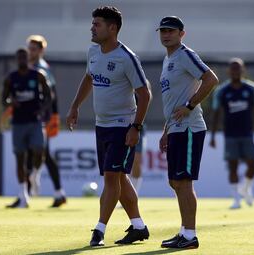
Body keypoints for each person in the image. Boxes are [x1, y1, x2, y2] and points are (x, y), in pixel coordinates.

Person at [66, 6, 151, 247]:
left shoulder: (126, 57)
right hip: (101, 125)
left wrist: (136, 127)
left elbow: (145, 95)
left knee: (112, 177)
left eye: (97, 24)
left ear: (112, 28)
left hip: (123, 126)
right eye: (93, 24)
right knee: (120, 179)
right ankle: (139, 226)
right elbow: (90, 77)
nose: (92, 28)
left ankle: (99, 230)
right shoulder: (93, 51)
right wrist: (75, 106)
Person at [157, 16, 219, 249]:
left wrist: (191, 105)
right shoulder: (168, 59)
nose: (166, 34)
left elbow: (211, 79)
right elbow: (173, 101)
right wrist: (166, 131)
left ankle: (190, 235)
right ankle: (184, 232)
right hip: (176, 128)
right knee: (175, 181)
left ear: (182, 33)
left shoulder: (185, 54)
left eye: (171, 30)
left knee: (183, 181)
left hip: (190, 127)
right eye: (163, 30)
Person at [210, 58, 254, 209]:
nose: (235, 71)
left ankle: (245, 188)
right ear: (229, 71)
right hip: (230, 134)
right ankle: (236, 199)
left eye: (238, 68)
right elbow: (216, 113)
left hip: (248, 133)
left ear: (243, 70)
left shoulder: (252, 89)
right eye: (233, 69)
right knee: (232, 166)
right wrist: (213, 136)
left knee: (252, 164)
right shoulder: (222, 91)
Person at [2, 48, 51, 208]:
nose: (22, 59)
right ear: (17, 60)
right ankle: (23, 195)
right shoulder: (11, 78)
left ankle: (35, 174)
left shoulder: (38, 75)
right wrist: (11, 103)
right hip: (18, 123)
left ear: (28, 59)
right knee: (20, 158)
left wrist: (42, 109)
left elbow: (49, 96)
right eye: (20, 57)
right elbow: (4, 99)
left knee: (39, 149)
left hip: (35, 120)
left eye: (25, 57)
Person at [26, 35, 66, 207]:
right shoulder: (28, 67)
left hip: (43, 119)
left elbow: (52, 94)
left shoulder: (42, 68)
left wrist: (54, 116)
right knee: (36, 153)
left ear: (41, 51)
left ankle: (56, 192)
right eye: (29, 48)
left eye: (34, 49)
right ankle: (28, 193)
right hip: (31, 118)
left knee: (43, 153)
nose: (30, 52)